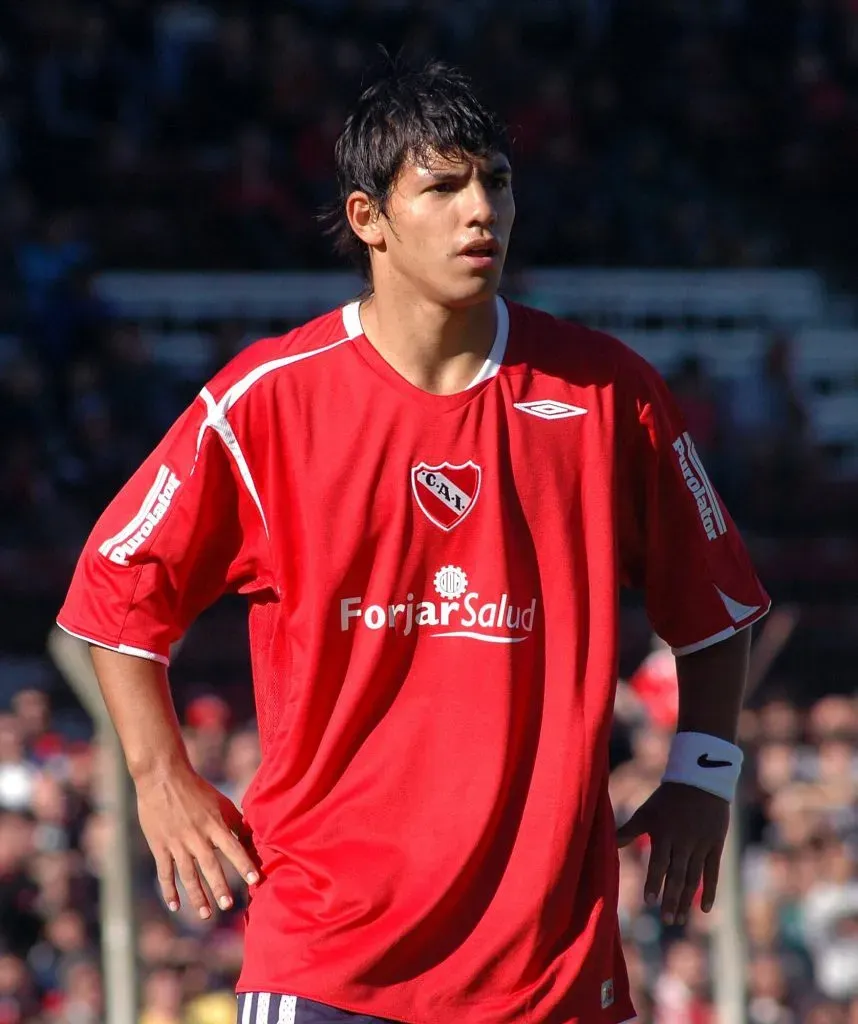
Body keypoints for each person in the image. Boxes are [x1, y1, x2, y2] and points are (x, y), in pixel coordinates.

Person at [56, 59, 770, 1024]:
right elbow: (115, 587)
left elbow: (718, 605)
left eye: (498, 182)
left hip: (548, 970)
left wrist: (703, 770)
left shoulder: (608, 395)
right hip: (329, 959)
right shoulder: (268, 401)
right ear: (368, 219)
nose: (483, 210)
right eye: (443, 186)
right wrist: (158, 777)